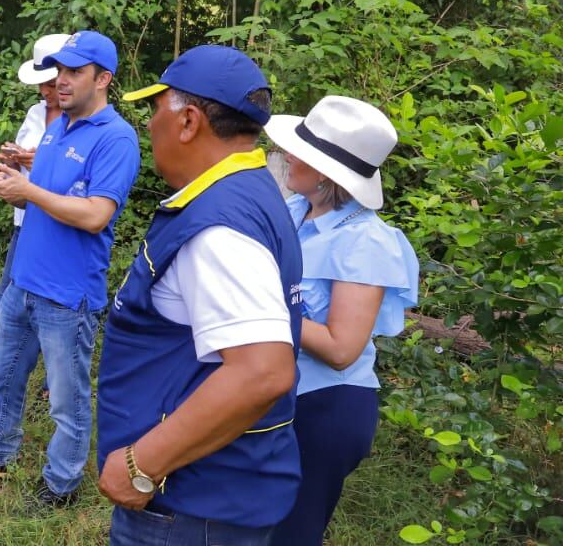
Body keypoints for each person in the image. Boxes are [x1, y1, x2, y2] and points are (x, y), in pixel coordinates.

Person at [96, 45, 303, 546]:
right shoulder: (248, 190)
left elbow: (262, 371)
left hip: (190, 507)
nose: (149, 125)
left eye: (155, 109)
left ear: (188, 121)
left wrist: (140, 465)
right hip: (215, 496)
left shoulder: (218, 228)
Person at [0, 30, 140, 506]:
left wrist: (28, 193)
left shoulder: (116, 139)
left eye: (74, 72)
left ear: (103, 78)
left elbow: (94, 215)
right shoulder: (55, 127)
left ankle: (61, 483)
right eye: (59, 71)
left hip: (67, 297)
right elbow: (47, 189)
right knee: (2, 378)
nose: (61, 81)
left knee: (67, 403)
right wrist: (9, 182)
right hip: (22, 282)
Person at [265, 95, 420, 545]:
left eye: (301, 153)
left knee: (291, 534)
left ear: (327, 174)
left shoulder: (364, 242)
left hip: (324, 408)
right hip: (276, 394)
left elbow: (340, 348)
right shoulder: (295, 211)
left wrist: (264, 308)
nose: (288, 156)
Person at [0, 33, 68, 383]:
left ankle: (51, 384)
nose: (44, 91)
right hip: (25, 220)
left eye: (50, 82)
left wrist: (36, 158)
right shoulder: (36, 112)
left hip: (62, 221)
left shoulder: (87, 122)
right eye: (41, 84)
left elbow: (77, 170)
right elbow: (22, 167)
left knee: (58, 305)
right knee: (7, 301)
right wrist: (2, 172)